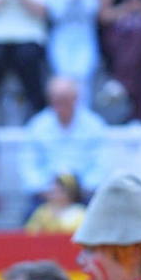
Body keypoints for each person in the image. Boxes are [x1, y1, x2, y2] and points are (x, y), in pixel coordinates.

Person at [18, 76, 107, 210]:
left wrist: (79, 191)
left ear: (76, 98)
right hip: (46, 196)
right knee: (29, 217)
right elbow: (28, 165)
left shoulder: (94, 126)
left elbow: (101, 164)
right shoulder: (37, 126)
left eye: (65, 100)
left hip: (84, 195)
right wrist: (46, 190)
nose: (60, 105)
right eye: (56, 100)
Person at [47, 0, 100, 109]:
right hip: (62, 39)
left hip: (85, 39)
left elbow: (92, 11)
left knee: (83, 79)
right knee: (63, 79)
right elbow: (56, 13)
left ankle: (83, 115)